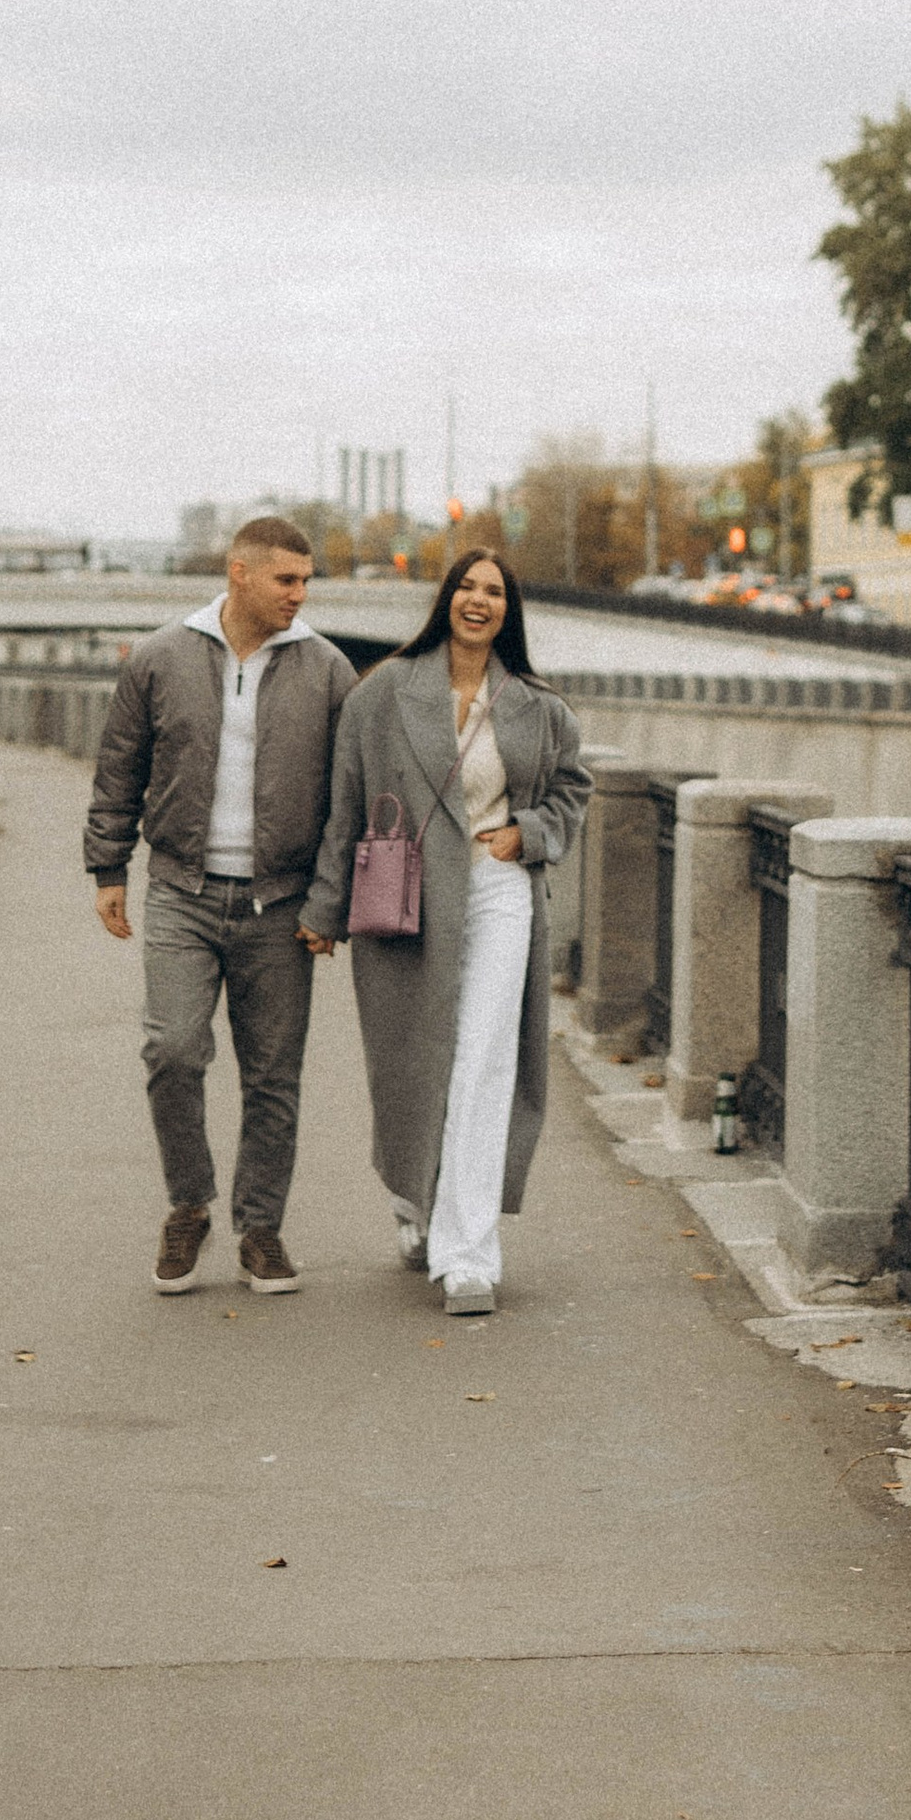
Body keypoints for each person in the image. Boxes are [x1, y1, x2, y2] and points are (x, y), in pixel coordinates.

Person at [306, 549, 590, 1319]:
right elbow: (347, 804)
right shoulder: (385, 693)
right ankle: (416, 1200)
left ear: (509, 609)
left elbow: (573, 788)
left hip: (500, 891)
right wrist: (323, 911)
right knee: (410, 1061)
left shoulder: (536, 705)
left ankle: (468, 1255)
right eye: (467, 586)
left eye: (495, 591)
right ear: (446, 598)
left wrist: (527, 833)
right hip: (407, 895)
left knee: (483, 1061)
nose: (479, 600)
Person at [85, 517, 356, 1297]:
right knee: (172, 1051)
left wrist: (329, 903)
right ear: (241, 574)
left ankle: (261, 1230)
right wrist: (108, 865)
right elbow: (119, 767)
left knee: (274, 1076)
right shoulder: (162, 658)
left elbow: (348, 800)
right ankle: (189, 1203)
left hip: (284, 903)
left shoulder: (328, 669)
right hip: (181, 893)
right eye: (287, 580)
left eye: (306, 581)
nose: (300, 595)